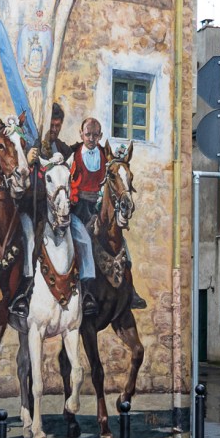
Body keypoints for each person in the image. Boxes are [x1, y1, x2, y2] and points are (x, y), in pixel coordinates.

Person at [68, 118, 147, 311]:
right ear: (81, 134)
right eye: (88, 134)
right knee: (84, 240)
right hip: (80, 208)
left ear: (100, 136)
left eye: (95, 135)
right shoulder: (72, 155)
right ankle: (86, 290)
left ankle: (130, 287)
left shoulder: (106, 155)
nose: (91, 139)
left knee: (119, 237)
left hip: (99, 206)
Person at [10, 103, 72, 317]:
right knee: (29, 238)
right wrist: (28, 162)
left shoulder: (62, 149)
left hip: (55, 211)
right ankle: (24, 291)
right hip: (30, 209)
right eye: (51, 125)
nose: (54, 130)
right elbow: (17, 184)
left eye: (57, 126)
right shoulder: (27, 147)